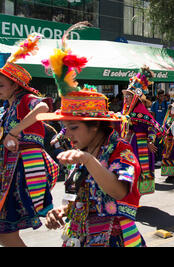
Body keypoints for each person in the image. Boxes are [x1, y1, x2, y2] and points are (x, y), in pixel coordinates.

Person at [39, 25, 145, 247]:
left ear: (95, 126)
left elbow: (117, 191)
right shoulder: (82, 153)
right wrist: (61, 211)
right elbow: (81, 198)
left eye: (74, 127)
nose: (67, 134)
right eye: (65, 127)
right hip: (80, 236)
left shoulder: (121, 152)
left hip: (115, 239)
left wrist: (88, 161)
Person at [0, 33, 60, 247]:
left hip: (22, 168)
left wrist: (14, 131)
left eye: (1, 85)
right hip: (9, 169)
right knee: (6, 234)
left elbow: (43, 108)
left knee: (6, 232)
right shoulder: (7, 108)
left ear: (15, 85)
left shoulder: (26, 99)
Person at [121, 66, 162, 195]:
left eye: (128, 96)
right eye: (126, 96)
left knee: (137, 169)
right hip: (132, 144)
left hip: (142, 145)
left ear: (135, 97)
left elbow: (153, 127)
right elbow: (130, 128)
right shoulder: (130, 111)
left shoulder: (141, 111)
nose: (125, 98)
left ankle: (134, 195)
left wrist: (150, 141)